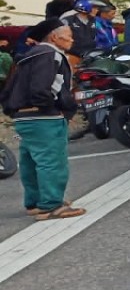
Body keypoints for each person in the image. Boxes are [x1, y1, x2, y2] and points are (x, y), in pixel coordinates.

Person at [0, 20, 86, 220]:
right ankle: (51, 205)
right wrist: (58, 109)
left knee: (30, 161)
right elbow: (42, 89)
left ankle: (34, 202)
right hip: (44, 117)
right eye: (68, 35)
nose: (72, 39)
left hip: (24, 117)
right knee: (52, 161)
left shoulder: (28, 56)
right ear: (55, 37)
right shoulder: (51, 55)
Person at [64, 0, 106, 67]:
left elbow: (101, 38)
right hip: (72, 57)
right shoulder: (68, 21)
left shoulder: (95, 21)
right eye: (94, 7)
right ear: (84, 6)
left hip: (90, 58)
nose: (97, 10)